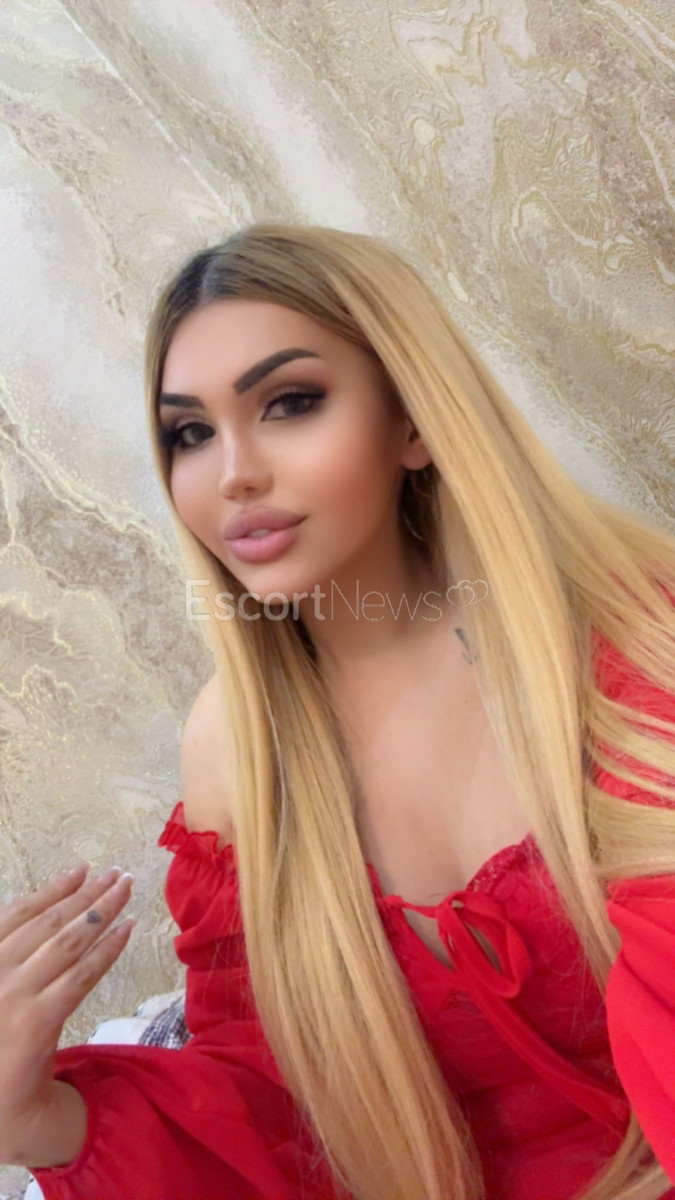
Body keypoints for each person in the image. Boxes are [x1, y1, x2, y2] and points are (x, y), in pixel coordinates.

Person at [1, 224, 675, 1200]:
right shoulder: (235, 747)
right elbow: (278, 1110)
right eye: (190, 433)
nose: (233, 472)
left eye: (290, 403)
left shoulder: (633, 643)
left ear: (413, 424)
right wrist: (40, 1118)